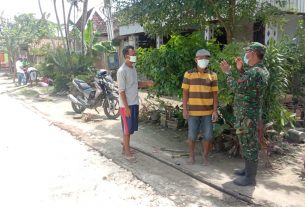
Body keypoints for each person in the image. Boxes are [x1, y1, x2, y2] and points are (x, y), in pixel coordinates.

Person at [220, 42, 269, 186]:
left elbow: (236, 87)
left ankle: (250, 178)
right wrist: (241, 70)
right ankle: (248, 171)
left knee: (249, 144)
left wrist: (228, 72)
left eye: (247, 52)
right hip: (247, 116)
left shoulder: (254, 72)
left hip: (247, 116)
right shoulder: (260, 70)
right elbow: (248, 86)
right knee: (245, 142)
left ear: (253, 53)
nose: (245, 55)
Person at [182, 49, 219, 165]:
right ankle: (191, 157)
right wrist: (184, 109)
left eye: (206, 58)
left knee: (208, 136)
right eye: (201, 58)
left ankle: (205, 157)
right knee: (192, 135)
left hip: (208, 112)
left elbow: (215, 95)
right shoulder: (188, 74)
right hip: (193, 112)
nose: (204, 60)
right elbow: (185, 93)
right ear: (196, 59)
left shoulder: (213, 75)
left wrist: (215, 111)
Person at [117, 45, 154, 161]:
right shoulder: (121, 71)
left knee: (130, 129)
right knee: (127, 130)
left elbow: (135, 84)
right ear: (126, 56)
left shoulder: (133, 69)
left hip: (134, 103)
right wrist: (126, 107)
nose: (135, 56)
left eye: (135, 54)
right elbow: (121, 91)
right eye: (133, 54)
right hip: (126, 105)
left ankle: (125, 147)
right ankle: (127, 152)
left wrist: (146, 83)